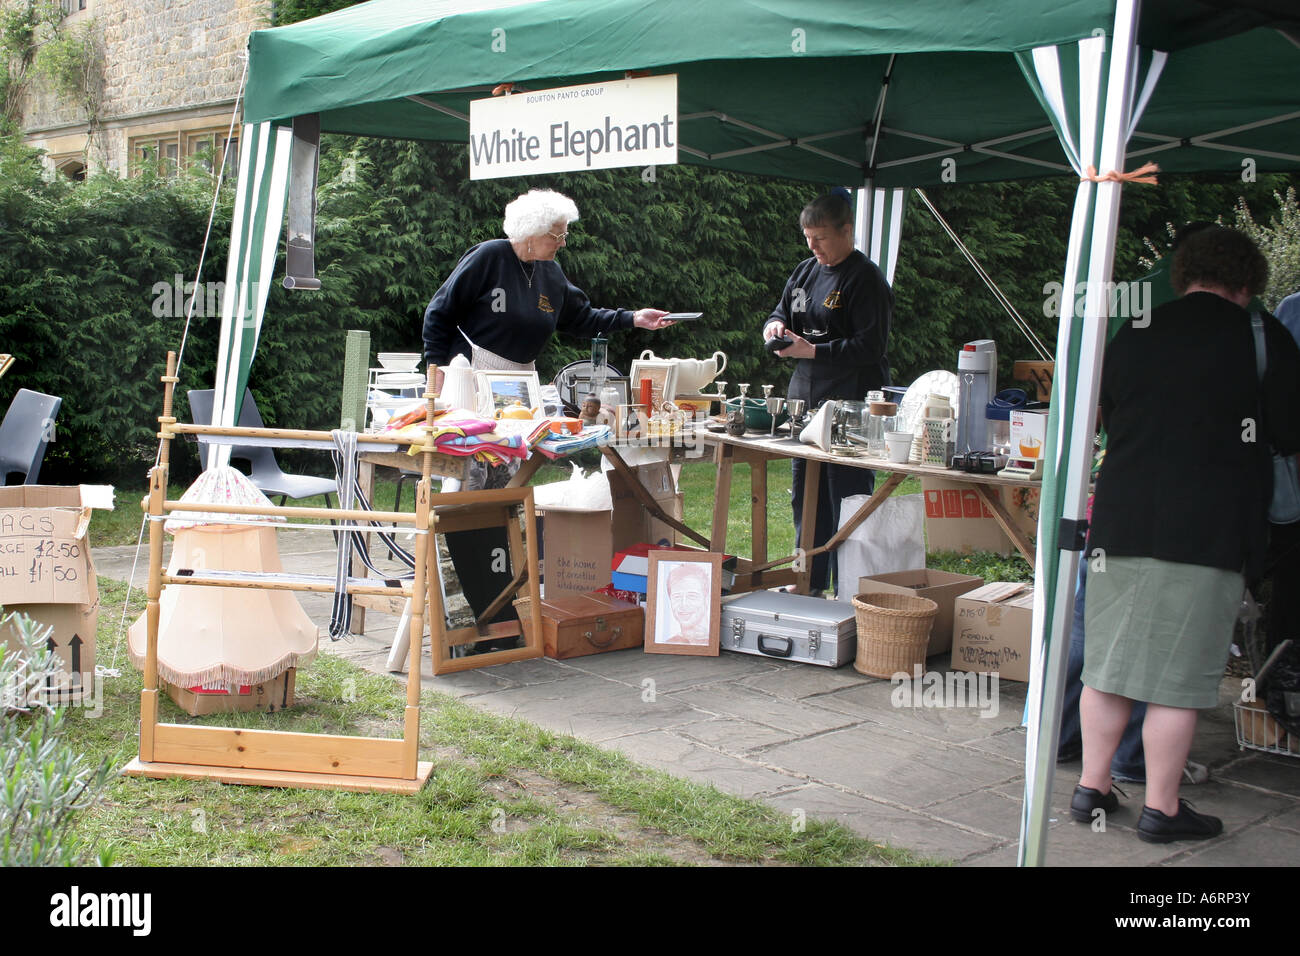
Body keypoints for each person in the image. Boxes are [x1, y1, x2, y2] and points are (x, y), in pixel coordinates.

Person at [1074, 226, 1300, 843]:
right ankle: (1163, 809)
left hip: (1120, 518)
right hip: (1206, 527)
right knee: (1179, 677)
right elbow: (1290, 425)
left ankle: (1092, 785)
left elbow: (1109, 410)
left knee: (1108, 666)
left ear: (1184, 273)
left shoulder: (1139, 328)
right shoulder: (1261, 336)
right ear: (1247, 282)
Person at [421, 188, 670, 640]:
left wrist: (634, 319)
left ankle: (493, 591)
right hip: (475, 377)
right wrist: (438, 369)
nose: (562, 241)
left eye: (563, 234)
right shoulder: (488, 258)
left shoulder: (550, 274)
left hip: (522, 385)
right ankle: (457, 587)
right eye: (557, 233)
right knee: (469, 480)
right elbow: (439, 313)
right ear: (531, 233)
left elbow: (583, 316)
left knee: (505, 482)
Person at [762, 192, 891, 595]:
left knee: (847, 496)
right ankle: (809, 581)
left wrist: (814, 350)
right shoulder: (804, 271)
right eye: (807, 237)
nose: (812, 246)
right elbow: (781, 310)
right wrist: (774, 328)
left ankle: (851, 588)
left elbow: (871, 346)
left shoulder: (866, 279)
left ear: (846, 231)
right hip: (806, 401)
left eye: (820, 237)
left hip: (852, 403)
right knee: (806, 495)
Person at [660, 562, 711, 645]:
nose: (683, 604)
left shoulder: (711, 642)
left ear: (706, 599)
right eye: (677, 596)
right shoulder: (669, 644)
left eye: (692, 596)